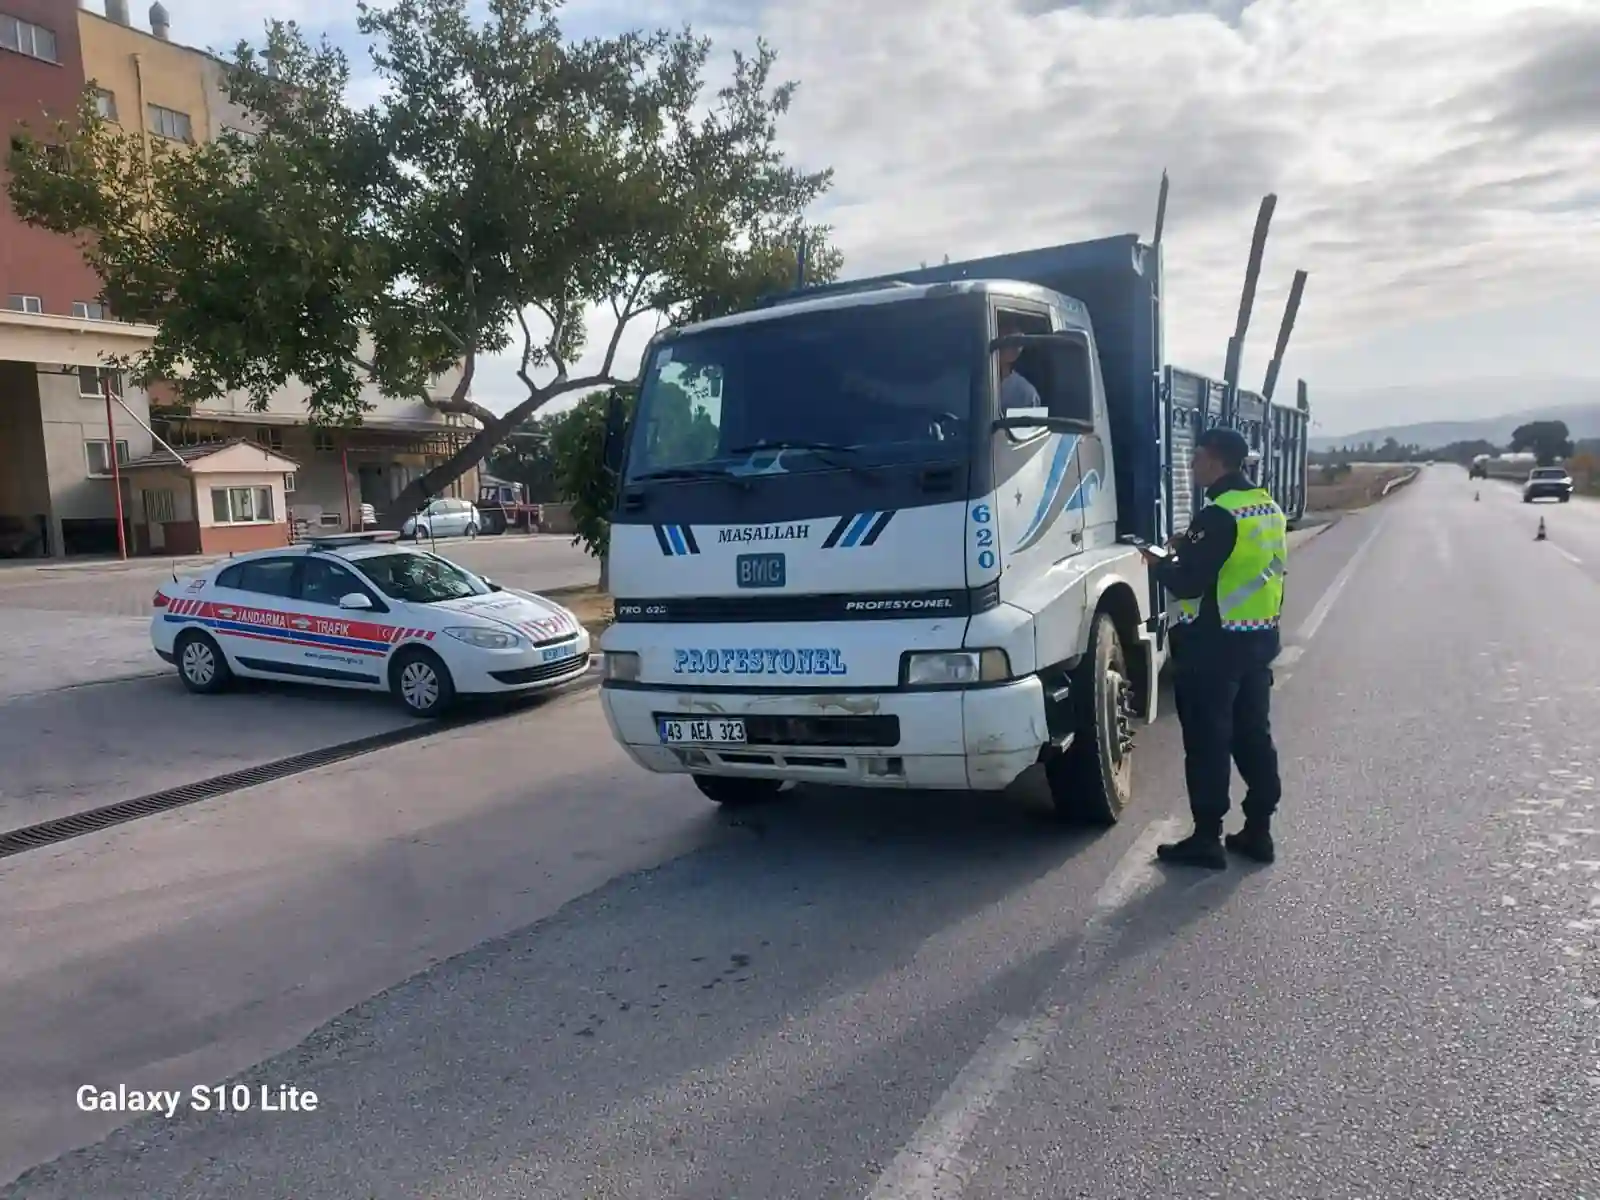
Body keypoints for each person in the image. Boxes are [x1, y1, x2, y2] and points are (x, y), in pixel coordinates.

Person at [1137, 427, 1286, 869]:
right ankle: (1259, 830)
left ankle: (1206, 838)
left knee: (1207, 742)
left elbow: (1188, 581)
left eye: (1197, 457)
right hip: (1257, 640)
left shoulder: (1218, 514)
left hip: (1213, 647)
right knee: (1253, 737)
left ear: (1217, 460)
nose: (1192, 465)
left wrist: (1159, 561)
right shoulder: (1267, 507)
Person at [996, 315, 1041, 410]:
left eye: (1020, 335)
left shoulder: (1027, 395)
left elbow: (1029, 425)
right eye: (1008, 331)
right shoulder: (961, 383)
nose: (1016, 338)